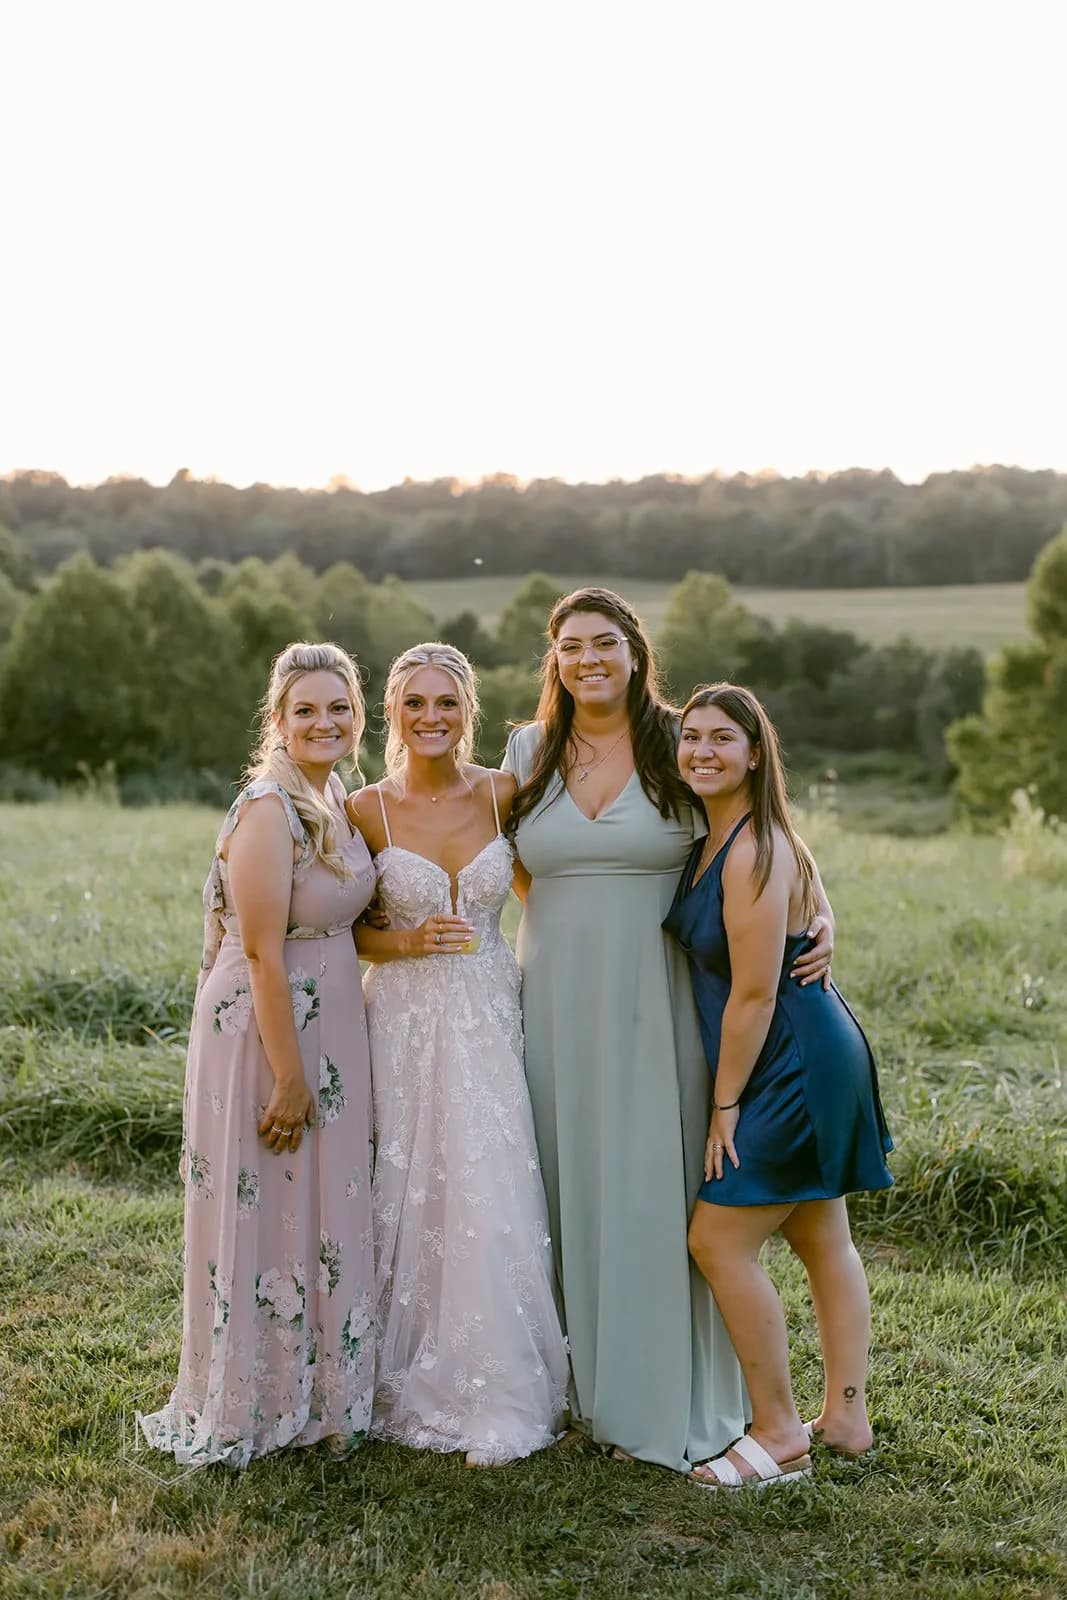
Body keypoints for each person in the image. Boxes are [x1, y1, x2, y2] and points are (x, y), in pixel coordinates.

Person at [503, 588, 836, 1472]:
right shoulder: (527, 751)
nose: (589, 660)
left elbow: (757, 825)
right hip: (556, 1001)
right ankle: (577, 1387)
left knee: (652, 1193)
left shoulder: (677, 738)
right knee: (565, 1185)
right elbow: (503, 864)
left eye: (604, 643)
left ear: (635, 651)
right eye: (571, 646)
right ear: (555, 659)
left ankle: (661, 1395)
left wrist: (819, 907)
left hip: (664, 1004)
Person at [140, 642, 378, 1467]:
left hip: (330, 1026)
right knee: (264, 1203)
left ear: (356, 715)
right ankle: (256, 1393)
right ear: (276, 718)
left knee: (315, 1202)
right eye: (305, 709)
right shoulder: (268, 809)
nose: (325, 722)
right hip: (265, 1032)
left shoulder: (333, 793)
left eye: (339, 707)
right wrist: (287, 1076)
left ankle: (319, 1390)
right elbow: (264, 952)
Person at [663, 683, 893, 1489]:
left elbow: (755, 993)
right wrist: (825, 916)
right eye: (689, 737)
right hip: (810, 1041)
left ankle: (778, 1432)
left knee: (717, 1238)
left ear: (755, 752)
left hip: (791, 1056)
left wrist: (723, 1107)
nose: (701, 751)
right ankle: (847, 1419)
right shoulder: (723, 835)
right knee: (818, 1233)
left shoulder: (753, 846)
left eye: (721, 738)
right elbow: (813, 902)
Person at [348, 643, 569, 1466]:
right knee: (408, 1180)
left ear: (466, 710)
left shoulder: (502, 794)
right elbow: (347, 929)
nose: (430, 717)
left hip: (485, 1009)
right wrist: (403, 941)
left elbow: (544, 894)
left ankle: (497, 1385)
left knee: (487, 1176)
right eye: (414, 704)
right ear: (394, 713)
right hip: (401, 1016)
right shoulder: (367, 809)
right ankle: (393, 1368)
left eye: (445, 703)